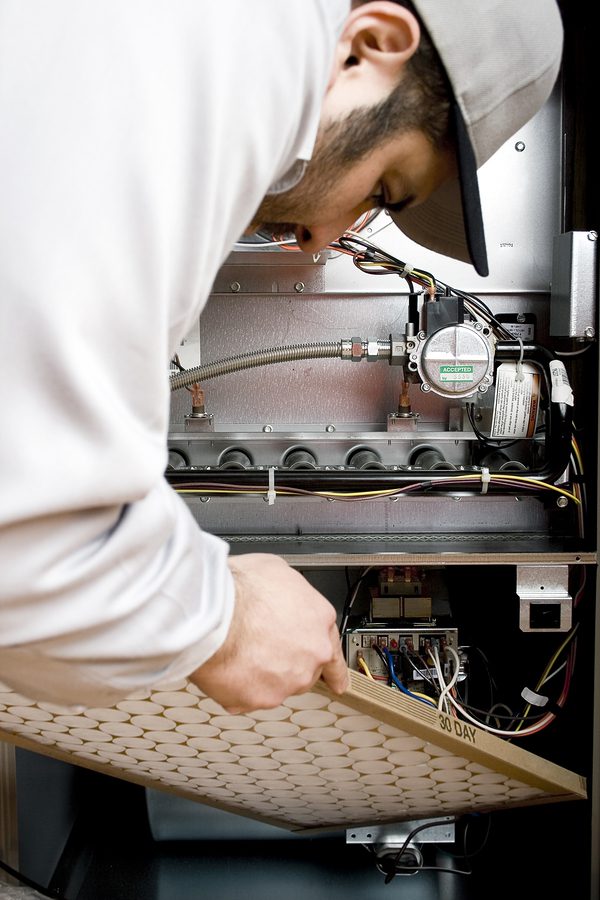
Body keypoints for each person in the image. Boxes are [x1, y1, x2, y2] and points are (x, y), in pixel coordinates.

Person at [0, 1, 563, 711]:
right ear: (372, 43)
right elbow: (34, 542)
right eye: (382, 186)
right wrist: (227, 621)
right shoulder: (171, 79)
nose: (321, 241)